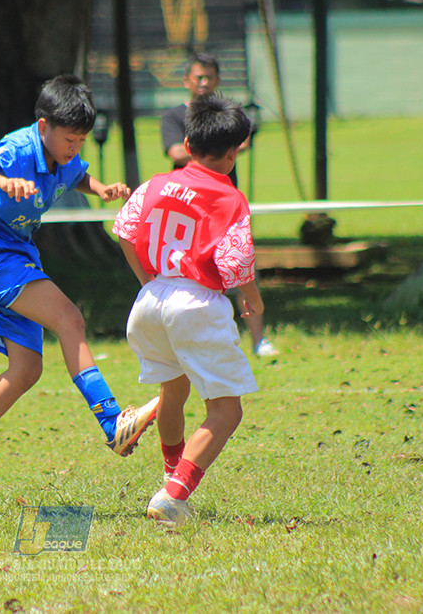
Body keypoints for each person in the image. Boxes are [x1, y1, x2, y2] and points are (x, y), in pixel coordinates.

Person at [0, 75, 159, 509]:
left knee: (27, 369)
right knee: (70, 319)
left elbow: (77, 175)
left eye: (82, 140)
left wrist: (102, 189)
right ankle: (112, 422)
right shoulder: (19, 148)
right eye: (69, 138)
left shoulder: (64, 156)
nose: (75, 147)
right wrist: (1, 181)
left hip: (13, 253)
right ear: (43, 125)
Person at [114, 94, 264, 526]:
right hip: (195, 303)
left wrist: (149, 282)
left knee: (173, 392)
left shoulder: (156, 183)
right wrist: (251, 298)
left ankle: (169, 476)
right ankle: (174, 494)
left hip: (150, 301)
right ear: (234, 153)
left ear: (187, 140)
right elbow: (235, 264)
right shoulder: (229, 197)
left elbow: (124, 230)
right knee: (226, 410)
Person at [160, 52, 278, 357]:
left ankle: (257, 338)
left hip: (225, 206)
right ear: (186, 81)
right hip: (187, 208)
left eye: (209, 77)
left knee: (240, 264)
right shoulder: (175, 116)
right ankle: (186, 341)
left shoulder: (231, 112)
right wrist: (213, 146)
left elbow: (244, 140)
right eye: (197, 77)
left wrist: (204, 146)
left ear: (218, 80)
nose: (203, 83)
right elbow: (174, 152)